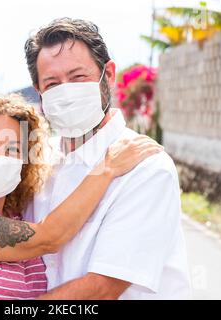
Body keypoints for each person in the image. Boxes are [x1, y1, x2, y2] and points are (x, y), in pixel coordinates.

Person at [0, 95, 162, 300]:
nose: (1, 156)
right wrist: (106, 169)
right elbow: (49, 237)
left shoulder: (22, 216)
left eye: (14, 148)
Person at [22, 18, 192, 299]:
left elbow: (101, 289)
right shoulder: (38, 161)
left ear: (108, 75)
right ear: (39, 91)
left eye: (78, 77)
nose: (66, 91)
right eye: (52, 83)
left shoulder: (146, 167)